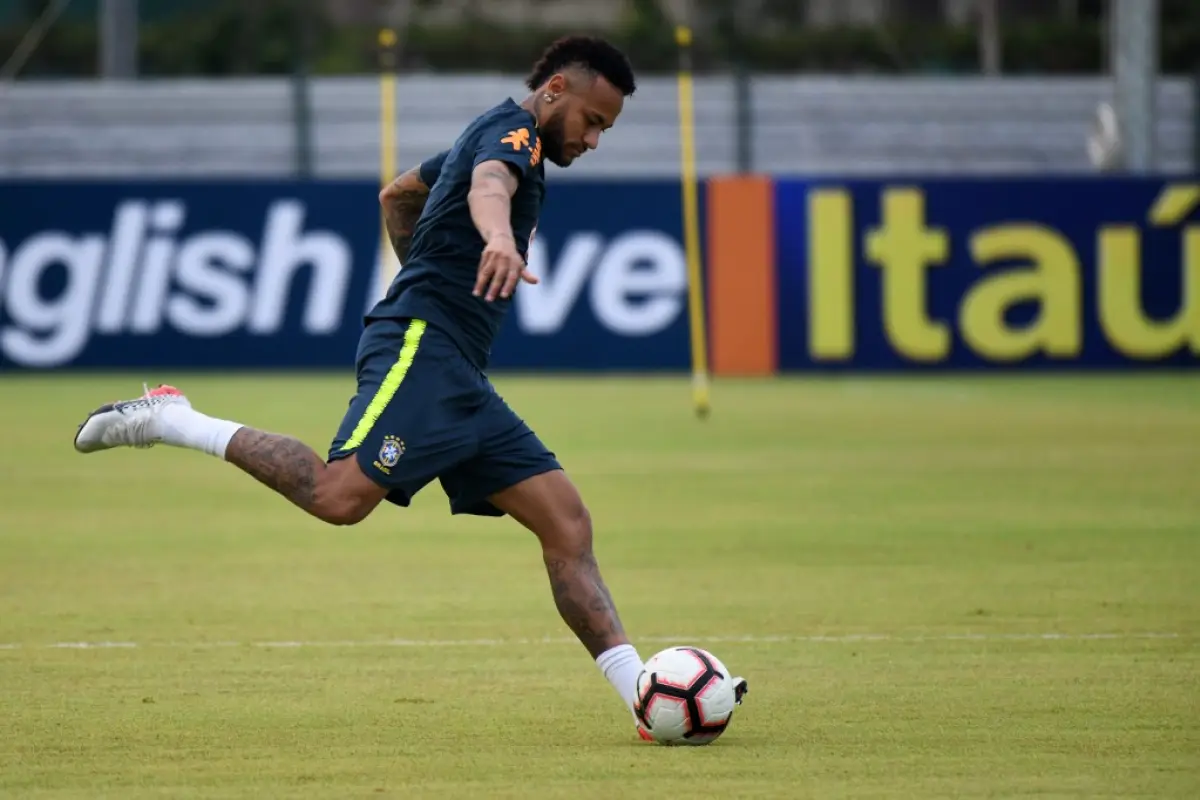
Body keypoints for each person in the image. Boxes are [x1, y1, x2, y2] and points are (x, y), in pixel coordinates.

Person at [73, 35, 678, 739]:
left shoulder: (495, 133)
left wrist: (423, 264)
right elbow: (490, 186)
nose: (597, 138)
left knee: (566, 524)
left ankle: (645, 692)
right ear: (555, 93)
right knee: (339, 498)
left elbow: (399, 193)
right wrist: (495, 239)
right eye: (594, 120)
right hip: (422, 347)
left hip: (455, 369)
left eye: (606, 127)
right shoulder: (512, 135)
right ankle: (174, 419)